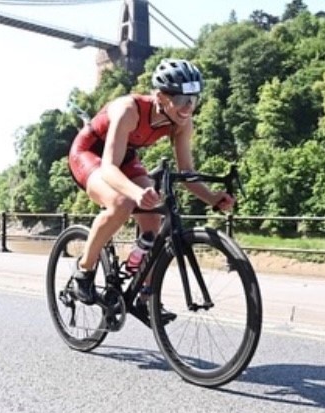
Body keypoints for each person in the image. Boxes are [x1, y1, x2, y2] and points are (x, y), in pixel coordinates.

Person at [67, 58, 235, 317]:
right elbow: (109, 168)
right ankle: (84, 271)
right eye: (181, 100)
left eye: (194, 99)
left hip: (124, 158)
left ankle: (144, 295)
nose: (188, 107)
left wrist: (212, 198)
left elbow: (187, 174)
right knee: (121, 203)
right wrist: (135, 193)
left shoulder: (181, 122)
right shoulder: (129, 110)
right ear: (160, 96)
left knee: (155, 214)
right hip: (89, 155)